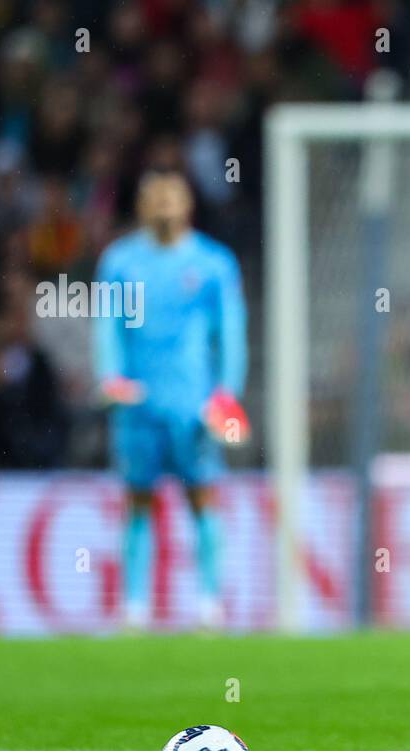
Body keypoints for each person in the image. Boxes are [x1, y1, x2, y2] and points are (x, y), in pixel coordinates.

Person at [93, 168, 249, 630]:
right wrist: (109, 377)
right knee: (137, 501)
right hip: (138, 402)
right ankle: (134, 607)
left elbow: (232, 332)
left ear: (188, 204)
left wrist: (226, 394)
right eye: (155, 196)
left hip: (192, 403)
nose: (164, 204)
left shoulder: (213, 263)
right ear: (140, 206)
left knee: (202, 498)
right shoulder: (120, 262)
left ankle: (209, 604)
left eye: (171, 195)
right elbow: (107, 325)